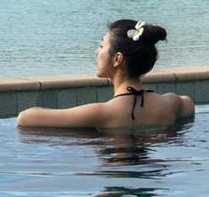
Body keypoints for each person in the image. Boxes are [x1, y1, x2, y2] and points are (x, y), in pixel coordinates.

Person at [17, 19, 195, 130]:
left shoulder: (101, 113)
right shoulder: (171, 104)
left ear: (117, 58)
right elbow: (189, 104)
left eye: (101, 46)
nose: (97, 52)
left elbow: (25, 118)